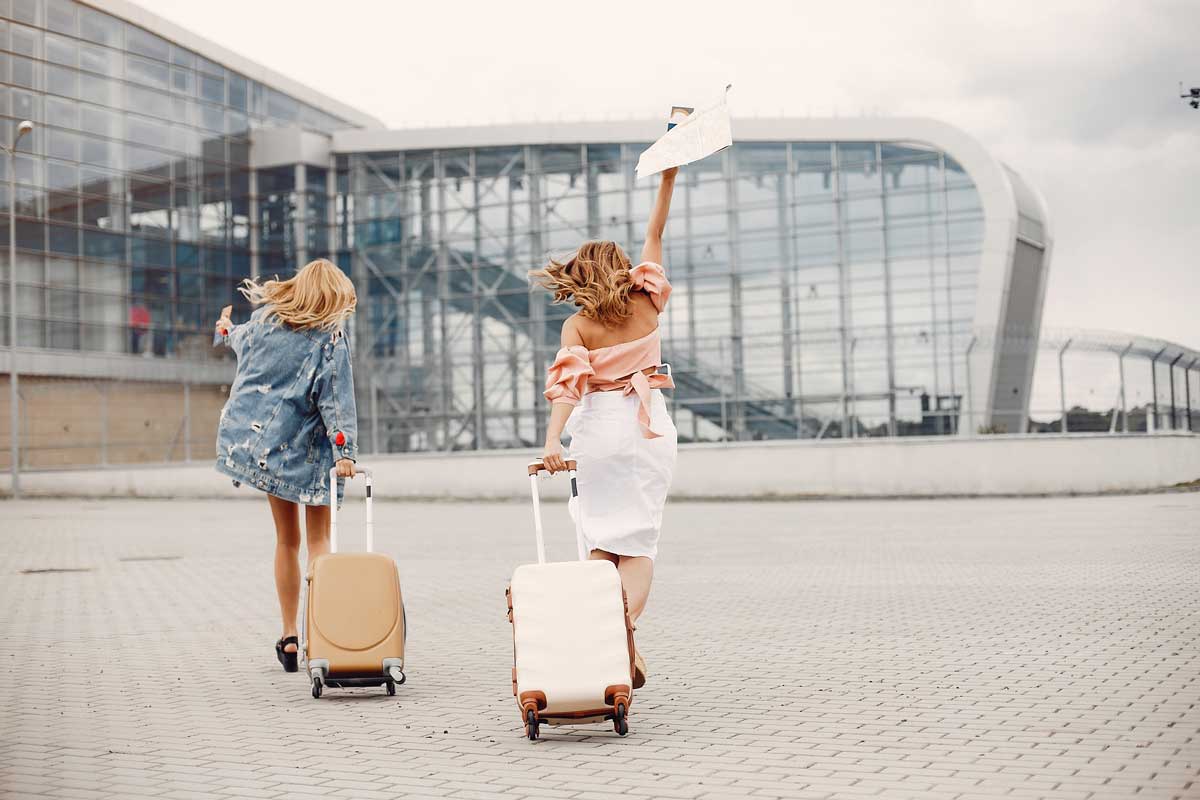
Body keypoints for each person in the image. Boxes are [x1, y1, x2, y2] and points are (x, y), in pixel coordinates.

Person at [531, 166, 680, 690]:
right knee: (638, 544)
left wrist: (553, 440)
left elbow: (569, 387)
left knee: (600, 538)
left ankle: (605, 632)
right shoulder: (647, 301)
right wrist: (667, 179)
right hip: (649, 428)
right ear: (620, 269)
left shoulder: (578, 325)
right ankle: (624, 629)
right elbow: (655, 234)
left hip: (599, 434)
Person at [213, 259, 359, 673]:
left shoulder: (263, 321)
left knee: (285, 541)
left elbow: (235, 338)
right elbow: (336, 399)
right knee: (319, 543)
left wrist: (222, 329)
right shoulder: (330, 337)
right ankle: (321, 632)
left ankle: (289, 637)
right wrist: (345, 453)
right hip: (311, 455)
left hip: (270, 450)